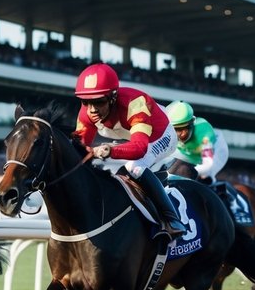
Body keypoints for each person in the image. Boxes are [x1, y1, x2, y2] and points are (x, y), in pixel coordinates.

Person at [73, 62, 185, 239]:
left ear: (112, 97)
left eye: (99, 102)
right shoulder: (86, 113)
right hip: (129, 137)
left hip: (161, 135)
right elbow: (78, 149)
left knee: (134, 167)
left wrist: (110, 150)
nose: (92, 109)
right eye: (86, 102)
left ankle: (172, 220)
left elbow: (140, 148)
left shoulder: (135, 104)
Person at [164, 101, 229, 183]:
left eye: (181, 129)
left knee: (205, 176)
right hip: (187, 150)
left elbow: (208, 164)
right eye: (173, 129)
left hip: (216, 149)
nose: (178, 135)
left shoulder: (205, 136)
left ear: (191, 124)